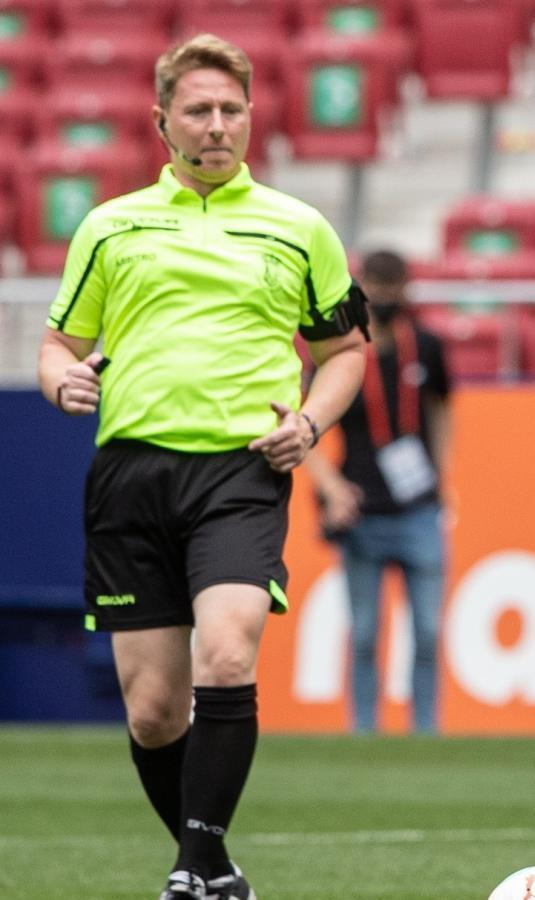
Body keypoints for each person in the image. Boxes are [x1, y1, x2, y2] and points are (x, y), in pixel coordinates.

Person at [36, 34, 368, 900]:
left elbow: (345, 352)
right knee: (151, 712)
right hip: (131, 478)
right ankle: (214, 869)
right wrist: (59, 378)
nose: (218, 125)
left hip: (241, 472)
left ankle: (190, 867)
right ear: (162, 122)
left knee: (228, 653)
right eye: (199, 110)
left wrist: (310, 421)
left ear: (252, 117)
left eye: (232, 110)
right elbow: (58, 343)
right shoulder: (110, 227)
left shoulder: (300, 228)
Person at [305, 249, 452, 734]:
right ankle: (363, 731)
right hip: (361, 509)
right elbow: (304, 426)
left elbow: (441, 408)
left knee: (428, 631)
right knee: (365, 632)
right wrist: (329, 487)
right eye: (378, 288)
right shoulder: (341, 354)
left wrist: (442, 478)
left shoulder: (425, 347)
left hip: (418, 508)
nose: (386, 299)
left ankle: (425, 731)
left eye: (394, 289)